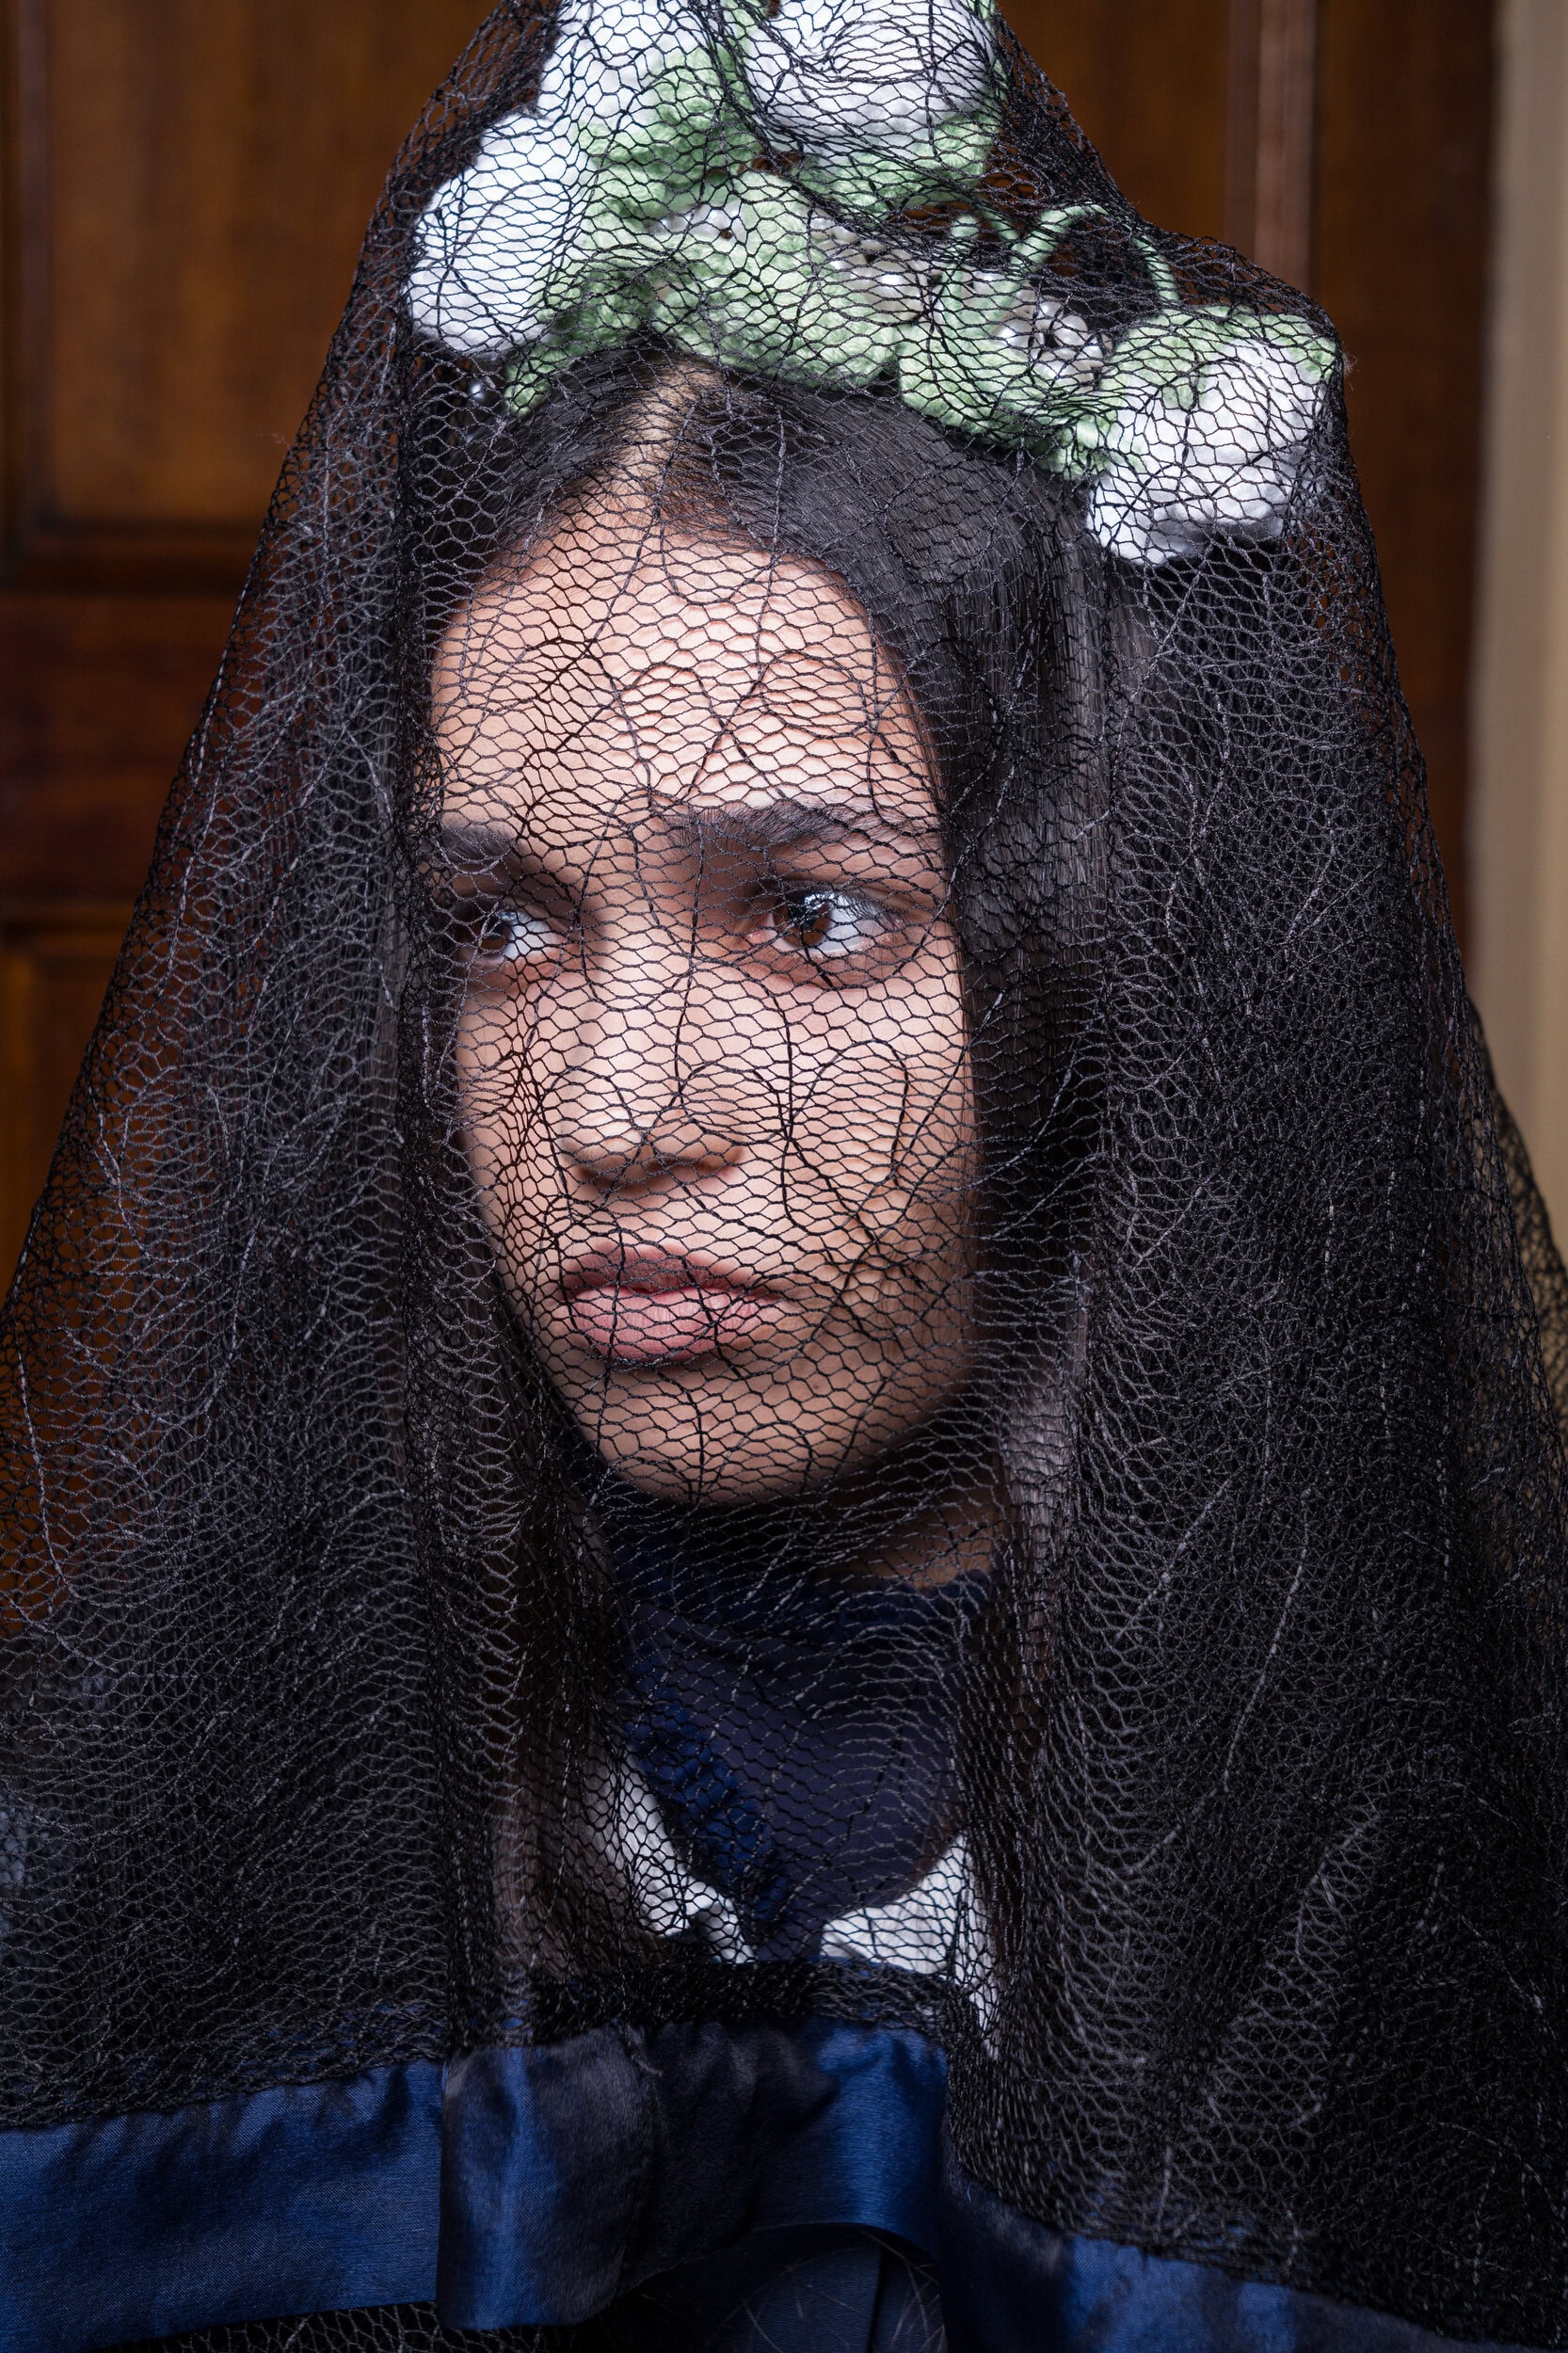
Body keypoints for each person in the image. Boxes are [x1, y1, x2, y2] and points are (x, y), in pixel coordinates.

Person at [2, 1, 1566, 2348]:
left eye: (812, 914)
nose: (616, 1105)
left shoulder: (1426, 1869)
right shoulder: (158, 1812)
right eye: (501, 922)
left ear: (1111, 954)